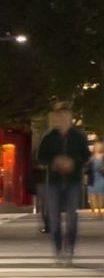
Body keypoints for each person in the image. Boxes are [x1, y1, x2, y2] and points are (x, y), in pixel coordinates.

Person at [35, 105, 92, 266]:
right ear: (56, 117)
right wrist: (54, 161)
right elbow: (40, 158)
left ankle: (69, 250)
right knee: (54, 218)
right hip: (54, 182)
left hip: (73, 182)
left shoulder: (78, 137)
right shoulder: (49, 137)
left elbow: (86, 157)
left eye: (66, 115)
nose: (63, 119)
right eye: (59, 116)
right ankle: (58, 251)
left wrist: (74, 163)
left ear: (70, 117)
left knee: (72, 218)